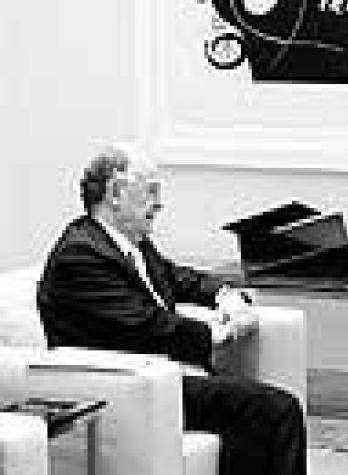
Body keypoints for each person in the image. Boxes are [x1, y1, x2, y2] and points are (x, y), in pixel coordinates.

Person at [37, 144, 306, 475]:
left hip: (160, 377)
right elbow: (146, 326)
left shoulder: (131, 244)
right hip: (126, 386)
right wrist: (220, 332)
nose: (159, 203)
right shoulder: (80, 255)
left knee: (257, 418)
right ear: (115, 193)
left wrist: (227, 296)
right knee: (278, 409)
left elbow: (184, 280)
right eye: (151, 191)